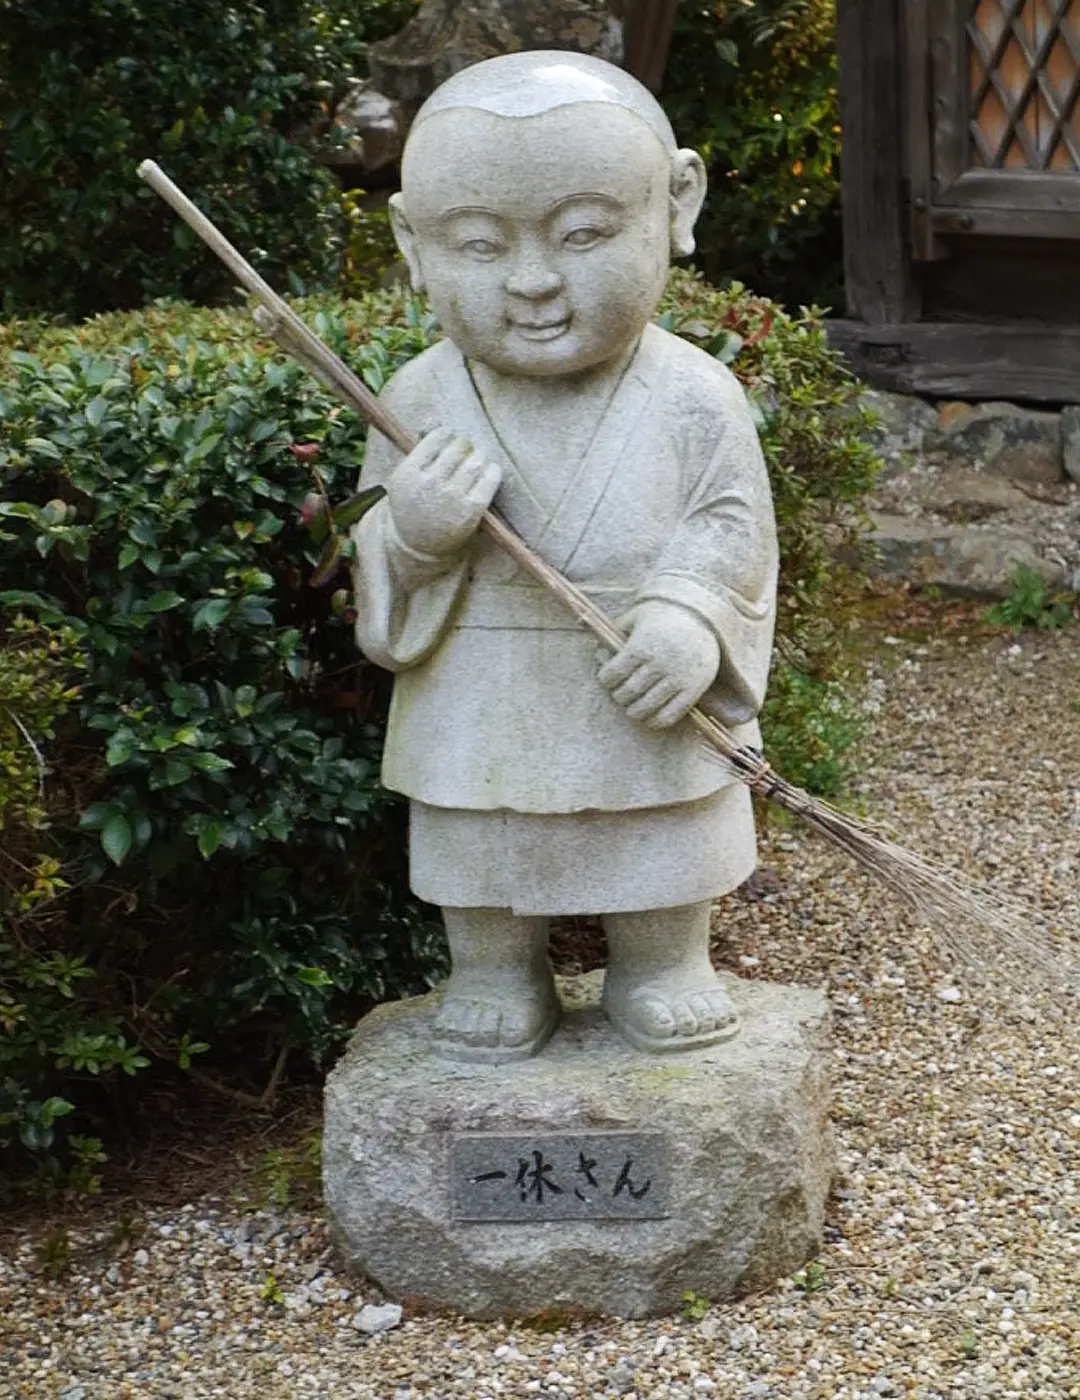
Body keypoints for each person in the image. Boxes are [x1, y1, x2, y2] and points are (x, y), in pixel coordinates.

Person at [351, 50, 778, 1061]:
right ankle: (494, 968)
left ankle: (662, 962)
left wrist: (690, 615)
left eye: (584, 234)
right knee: (483, 838)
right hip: (481, 690)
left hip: (635, 676)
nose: (535, 281)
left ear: (677, 204)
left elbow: (731, 527)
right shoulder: (418, 398)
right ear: (413, 243)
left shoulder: (695, 394)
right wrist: (414, 534)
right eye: (479, 245)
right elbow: (374, 552)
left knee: (659, 833)